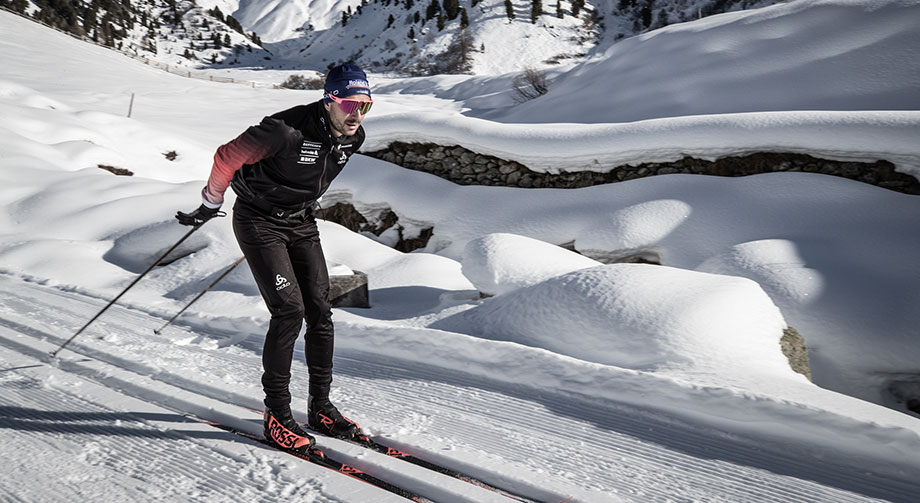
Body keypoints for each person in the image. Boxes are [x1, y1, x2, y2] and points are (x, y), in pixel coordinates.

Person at [176, 63, 373, 451]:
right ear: (329, 99)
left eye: (365, 105)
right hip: (259, 222)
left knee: (320, 309)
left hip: (301, 223)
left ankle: (320, 407)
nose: (356, 114)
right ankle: (277, 415)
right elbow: (225, 157)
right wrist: (209, 202)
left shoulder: (354, 136)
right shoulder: (284, 130)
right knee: (288, 311)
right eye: (349, 104)